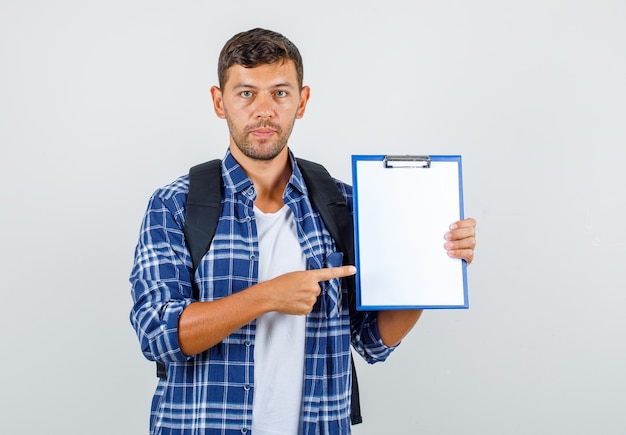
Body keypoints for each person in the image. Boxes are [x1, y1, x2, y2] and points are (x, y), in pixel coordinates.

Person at [129, 28, 477, 435]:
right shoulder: (176, 205)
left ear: (302, 100)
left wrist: (432, 264)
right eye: (246, 93)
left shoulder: (342, 205)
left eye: (279, 92)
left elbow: (372, 341)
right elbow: (158, 334)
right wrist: (269, 296)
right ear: (218, 101)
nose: (263, 110)